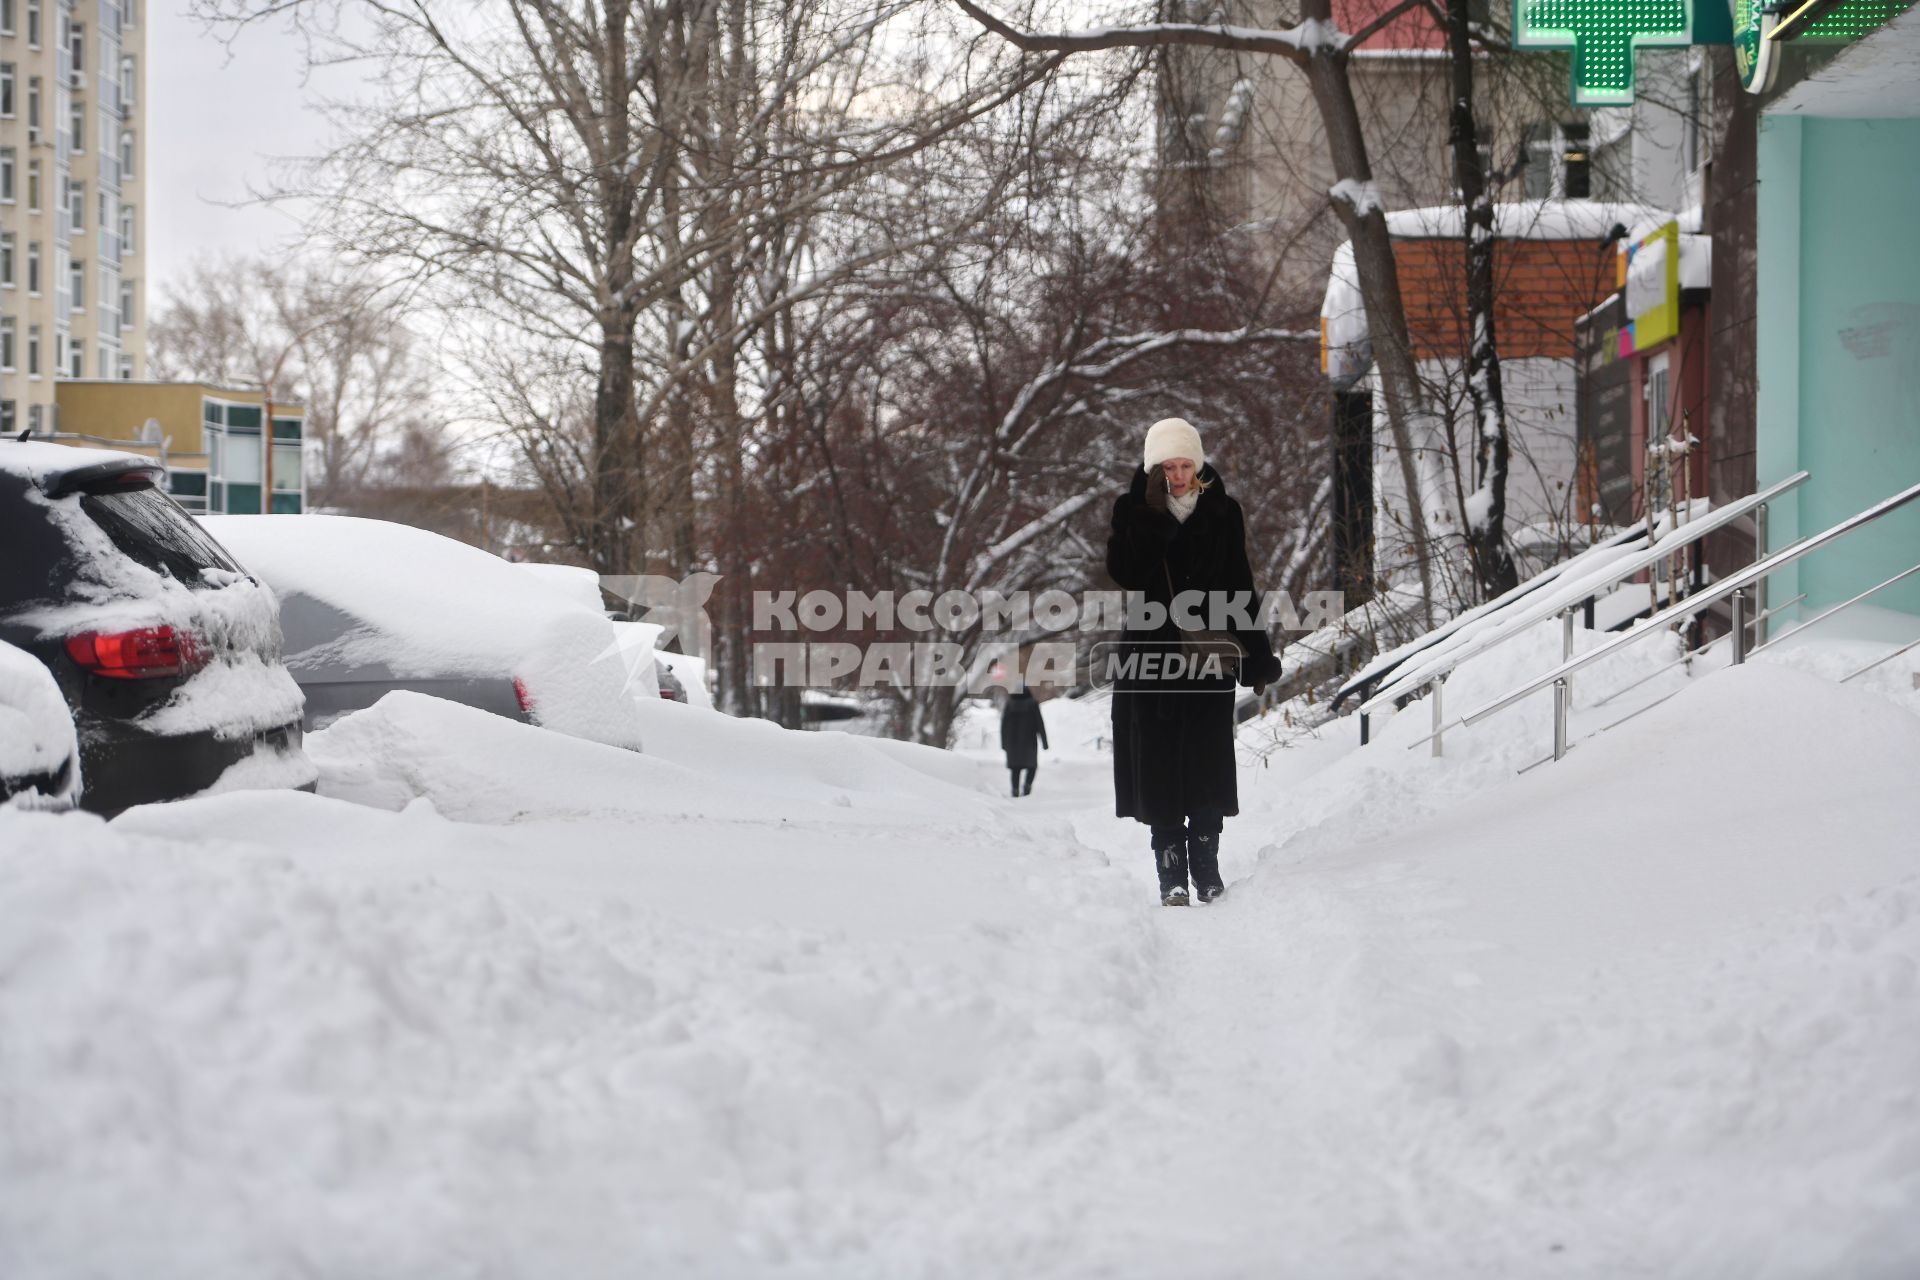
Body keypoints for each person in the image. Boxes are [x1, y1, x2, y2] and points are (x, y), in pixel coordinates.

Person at [1104, 417, 1282, 906]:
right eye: (1168, 466)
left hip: (1208, 654)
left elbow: (1240, 585)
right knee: (1158, 761)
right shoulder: (1132, 510)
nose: (1178, 475)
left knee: (1205, 759)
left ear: (1197, 464)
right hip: (1150, 653)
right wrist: (1152, 519)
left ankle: (1206, 865)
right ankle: (1170, 874)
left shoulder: (1223, 511)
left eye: (1185, 465)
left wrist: (1257, 654)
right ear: (1153, 467)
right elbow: (1123, 572)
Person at [1000, 684, 1048, 797]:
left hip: (1013, 743)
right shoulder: (1032, 704)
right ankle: (1027, 785)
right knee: (1032, 766)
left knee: (1015, 769)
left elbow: (1004, 725)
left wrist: (1003, 743)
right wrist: (1044, 742)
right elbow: (1039, 723)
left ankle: (1015, 789)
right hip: (1029, 742)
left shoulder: (1010, 704)